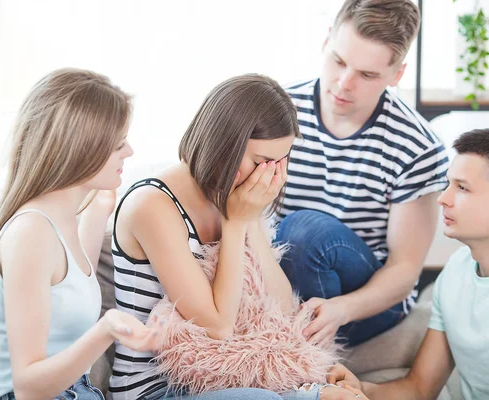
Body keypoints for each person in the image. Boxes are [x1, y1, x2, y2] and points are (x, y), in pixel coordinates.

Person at [109, 73, 346, 400]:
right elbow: (217, 327)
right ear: (224, 146)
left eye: (281, 161)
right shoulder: (152, 205)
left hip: (225, 380)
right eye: (262, 162)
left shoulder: (234, 197)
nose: (271, 175)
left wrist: (249, 222)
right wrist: (234, 225)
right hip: (157, 391)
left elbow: (280, 309)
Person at [324, 128, 489, 399]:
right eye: (448, 184)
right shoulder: (458, 268)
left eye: (462, 187)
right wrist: (361, 390)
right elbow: (419, 387)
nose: (443, 198)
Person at [0, 68, 163, 400]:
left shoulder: (60, 220)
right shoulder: (30, 234)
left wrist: (99, 206)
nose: (130, 151)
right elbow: (28, 387)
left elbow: (72, 285)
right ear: (80, 149)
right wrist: (106, 330)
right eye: (118, 144)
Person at [275, 0, 449, 347]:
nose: (343, 83)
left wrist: (341, 309)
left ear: (396, 75)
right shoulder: (279, 111)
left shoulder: (417, 146)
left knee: (304, 231)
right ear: (327, 41)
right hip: (283, 273)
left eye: (367, 75)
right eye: (339, 61)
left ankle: (303, 354)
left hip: (369, 298)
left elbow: (403, 271)